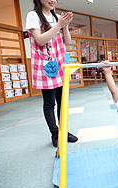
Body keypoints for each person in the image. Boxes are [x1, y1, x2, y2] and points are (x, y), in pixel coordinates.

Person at [26, 0, 78, 147]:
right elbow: (40, 40)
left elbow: (67, 42)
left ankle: (63, 131)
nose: (52, 0)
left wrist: (65, 26)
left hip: (60, 64)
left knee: (63, 101)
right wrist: (59, 25)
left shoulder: (56, 18)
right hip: (46, 65)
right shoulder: (33, 15)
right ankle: (55, 134)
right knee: (49, 103)